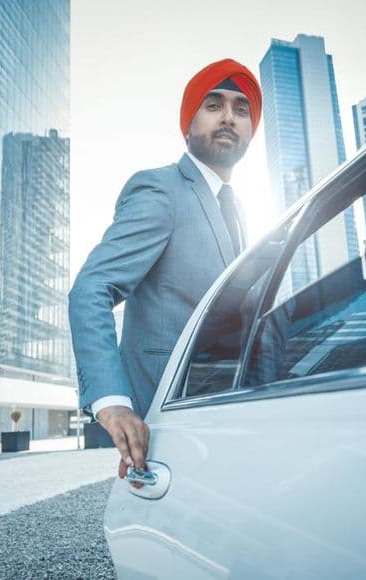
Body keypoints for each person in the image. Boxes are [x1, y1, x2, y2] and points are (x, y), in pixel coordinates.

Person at [69, 58, 262, 480]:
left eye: (241, 109)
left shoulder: (241, 211)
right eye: (214, 105)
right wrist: (113, 401)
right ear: (188, 123)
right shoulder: (160, 188)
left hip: (231, 418)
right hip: (168, 422)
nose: (229, 117)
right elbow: (92, 288)